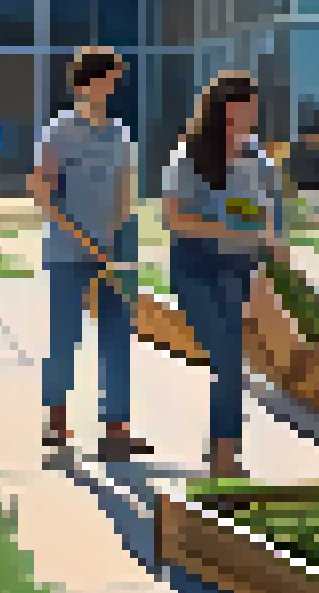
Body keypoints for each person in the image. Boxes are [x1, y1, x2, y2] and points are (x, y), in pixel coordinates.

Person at [161, 72, 288, 481]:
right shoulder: (190, 156)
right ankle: (224, 457)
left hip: (238, 265)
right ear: (222, 108)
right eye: (242, 104)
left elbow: (267, 216)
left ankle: (224, 456)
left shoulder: (259, 161)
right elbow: (174, 218)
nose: (250, 112)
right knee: (227, 354)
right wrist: (230, 228)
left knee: (230, 359)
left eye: (253, 104)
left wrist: (270, 243)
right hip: (194, 266)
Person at [33, 48, 151, 461]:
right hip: (69, 249)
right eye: (106, 77)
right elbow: (44, 195)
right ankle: (57, 422)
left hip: (117, 247)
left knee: (117, 336)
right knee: (64, 337)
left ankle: (116, 427)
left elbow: (125, 192)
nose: (111, 86)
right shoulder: (58, 130)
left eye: (115, 79)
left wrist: (115, 239)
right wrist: (85, 240)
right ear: (86, 82)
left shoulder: (120, 133)